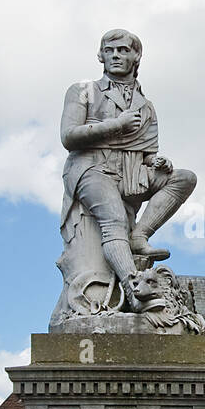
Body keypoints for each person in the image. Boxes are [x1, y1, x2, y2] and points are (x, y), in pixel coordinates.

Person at [59, 29, 196, 311]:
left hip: (131, 172)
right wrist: (117, 125)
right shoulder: (83, 91)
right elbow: (68, 136)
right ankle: (134, 292)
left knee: (184, 178)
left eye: (123, 50)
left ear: (137, 56)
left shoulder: (146, 107)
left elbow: (148, 154)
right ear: (101, 56)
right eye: (109, 51)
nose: (116, 56)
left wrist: (158, 163)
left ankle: (140, 235)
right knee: (114, 219)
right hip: (91, 167)